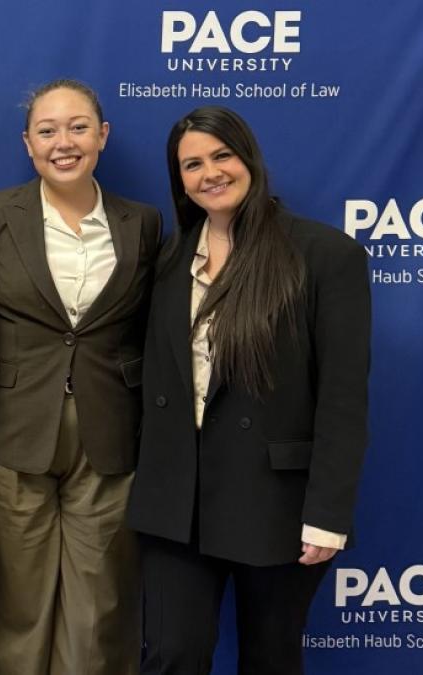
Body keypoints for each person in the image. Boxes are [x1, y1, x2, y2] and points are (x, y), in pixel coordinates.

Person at [126, 105, 371, 674]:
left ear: (248, 159)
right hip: (175, 503)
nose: (209, 172)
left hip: (277, 506)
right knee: (172, 653)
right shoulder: (166, 259)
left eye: (221, 156)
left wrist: (328, 516)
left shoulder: (324, 256)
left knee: (270, 659)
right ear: (179, 179)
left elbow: (343, 399)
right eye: (192, 164)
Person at [0, 78, 161, 675]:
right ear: (28, 144)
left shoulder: (143, 223)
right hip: (16, 435)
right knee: (19, 607)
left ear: (102, 136)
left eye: (78, 127)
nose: (63, 142)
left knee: (99, 608)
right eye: (47, 131)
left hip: (109, 437)